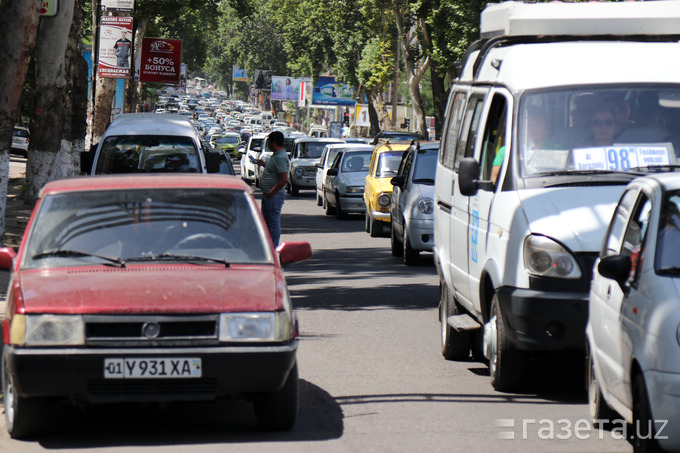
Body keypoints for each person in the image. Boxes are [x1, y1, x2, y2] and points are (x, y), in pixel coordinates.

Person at [255, 131, 289, 247]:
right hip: (269, 194)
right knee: (266, 222)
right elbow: (275, 171)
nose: (268, 144)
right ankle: (267, 246)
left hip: (273, 195)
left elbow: (283, 178)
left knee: (273, 222)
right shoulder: (276, 156)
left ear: (273, 142)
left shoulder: (280, 157)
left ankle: (273, 247)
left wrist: (272, 192)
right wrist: (264, 165)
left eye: (269, 142)